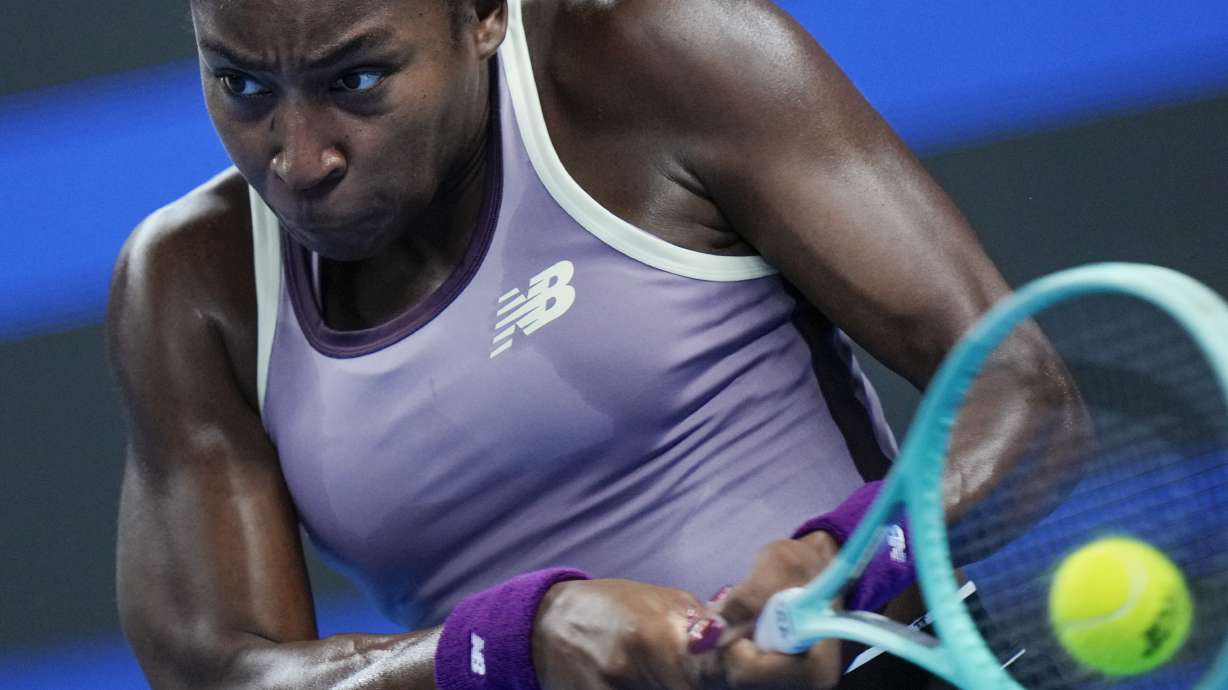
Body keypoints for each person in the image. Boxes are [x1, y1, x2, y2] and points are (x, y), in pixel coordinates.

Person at [109, 1, 1015, 688]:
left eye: (355, 80)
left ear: (483, 17)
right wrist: (514, 640)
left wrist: (845, 560)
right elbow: (225, 671)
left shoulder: (665, 59)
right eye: (243, 86)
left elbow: (1025, 392)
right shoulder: (192, 282)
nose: (300, 160)